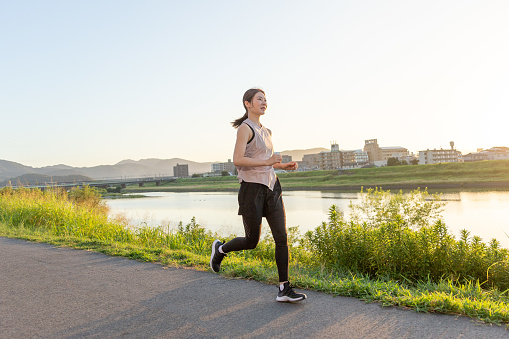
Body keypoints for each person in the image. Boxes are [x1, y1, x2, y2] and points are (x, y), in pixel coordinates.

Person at [210, 88, 307, 302]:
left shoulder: (267, 131)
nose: (264, 103)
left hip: (272, 187)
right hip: (251, 190)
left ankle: (284, 288)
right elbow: (238, 159)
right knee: (252, 241)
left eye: (265, 99)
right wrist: (268, 162)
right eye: (259, 99)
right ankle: (220, 249)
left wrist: (283, 166)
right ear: (247, 103)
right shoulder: (245, 128)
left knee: (281, 238)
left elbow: (266, 160)